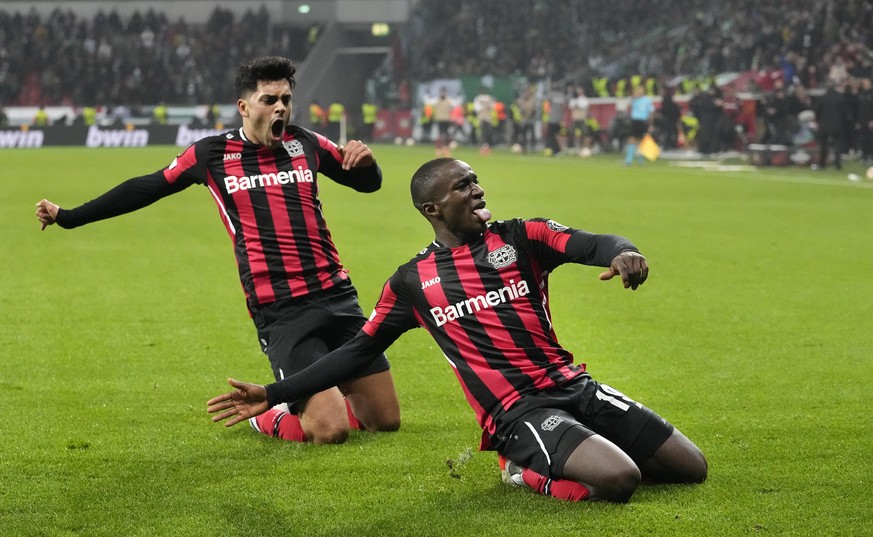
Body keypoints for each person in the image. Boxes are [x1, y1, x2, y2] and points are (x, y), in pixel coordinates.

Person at [207, 157, 708, 503]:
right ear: (433, 209)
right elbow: (358, 352)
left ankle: (578, 441)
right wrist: (275, 391)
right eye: (463, 186)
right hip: (517, 410)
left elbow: (593, 242)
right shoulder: (412, 282)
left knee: (691, 469)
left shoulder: (522, 236)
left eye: (475, 180)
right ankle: (522, 470)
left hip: (574, 384)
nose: (477, 190)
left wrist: (623, 252)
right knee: (620, 479)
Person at [36, 56, 401, 445]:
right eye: (269, 99)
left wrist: (367, 165)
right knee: (331, 431)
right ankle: (272, 415)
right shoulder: (212, 155)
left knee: (385, 420)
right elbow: (146, 187)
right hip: (282, 308)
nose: (280, 107)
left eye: (286, 98)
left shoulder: (305, 143)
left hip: (337, 296)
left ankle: (314, 397)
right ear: (244, 107)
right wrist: (70, 216)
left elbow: (367, 184)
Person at [625, 85, 654, 165]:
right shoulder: (634, 99)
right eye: (637, 91)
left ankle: (641, 159)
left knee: (642, 141)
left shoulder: (647, 100)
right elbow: (628, 107)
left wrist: (650, 123)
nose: (638, 92)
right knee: (631, 139)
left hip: (643, 121)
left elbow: (651, 112)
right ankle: (629, 159)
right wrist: (633, 98)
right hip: (635, 121)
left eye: (640, 91)